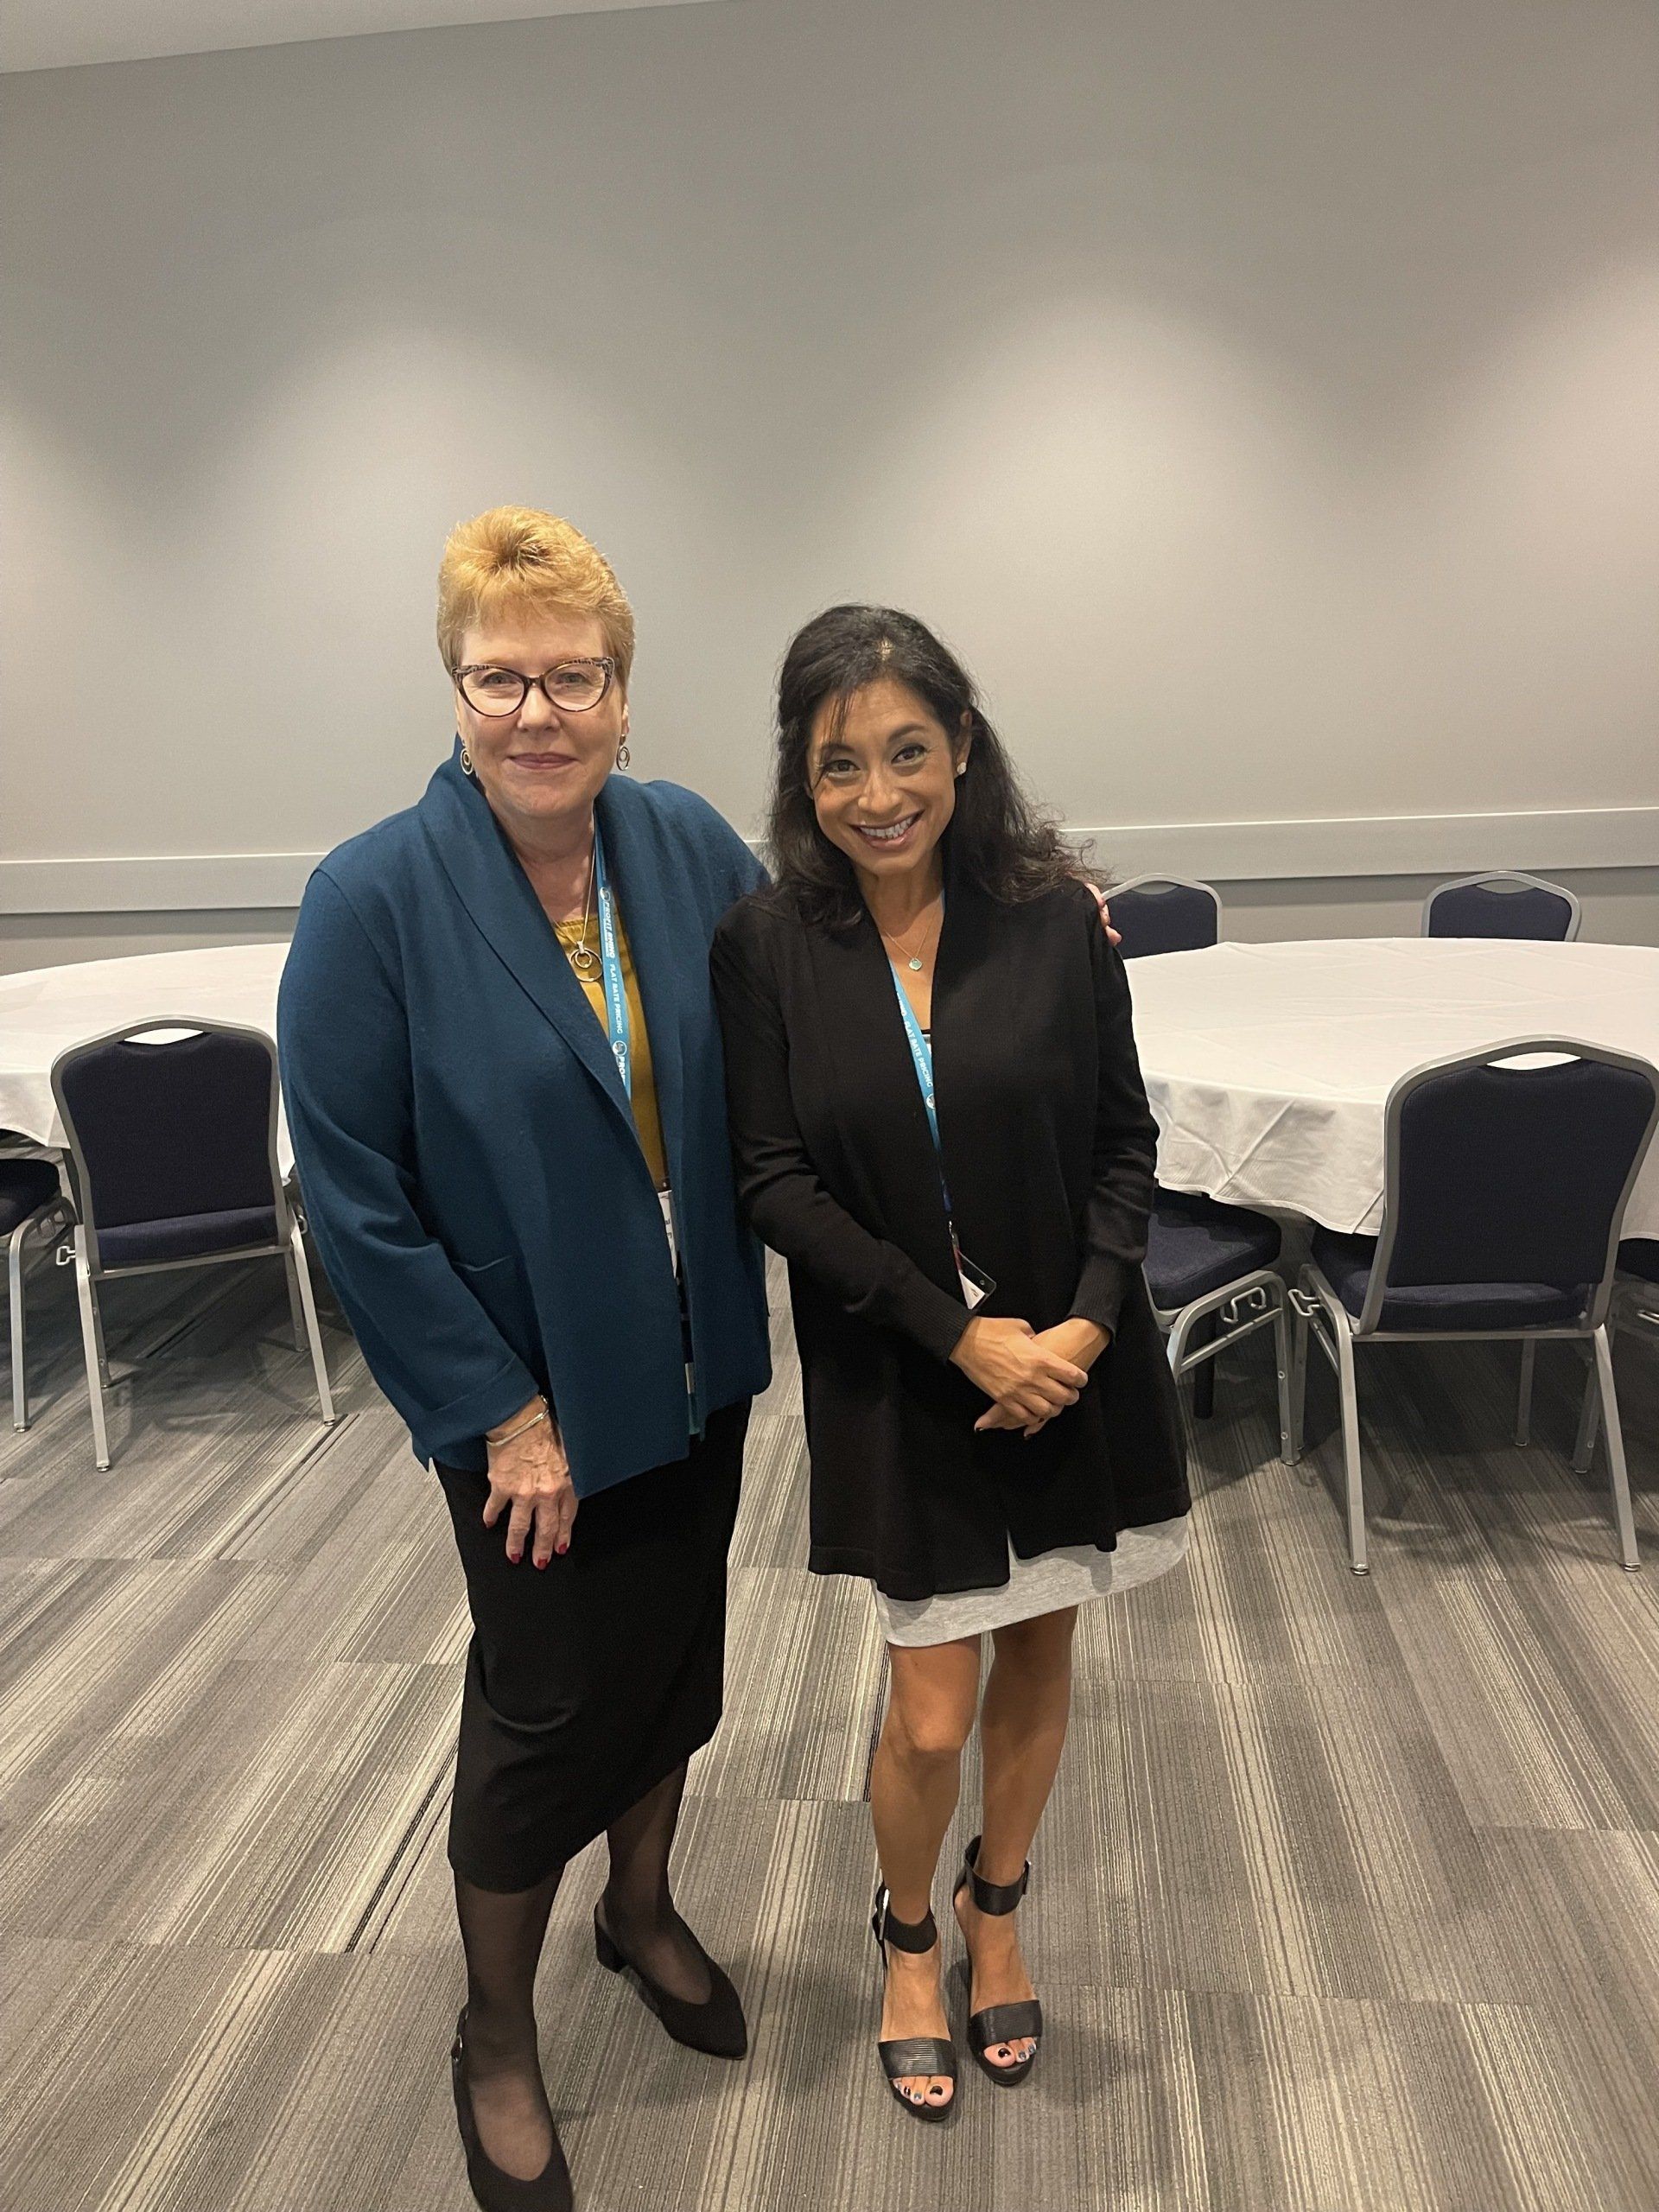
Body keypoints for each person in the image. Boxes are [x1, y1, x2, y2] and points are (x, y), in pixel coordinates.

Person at [277, 508, 772, 2212]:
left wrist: (1013, 916)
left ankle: (637, 1908)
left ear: (625, 694)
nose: (539, 712)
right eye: (502, 677)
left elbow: (818, 993)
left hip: (695, 1351)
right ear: (456, 689)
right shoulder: (373, 897)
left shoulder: (686, 844)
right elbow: (353, 1191)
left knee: (676, 1657)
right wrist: (500, 1410)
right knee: (547, 1701)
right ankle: (495, 2029)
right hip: (530, 1393)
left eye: (575, 676)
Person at [711, 606, 1189, 2120]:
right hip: (907, 1373)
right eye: (839, 764)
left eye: (907, 750)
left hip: (1069, 1368)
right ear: (802, 776)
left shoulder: (1053, 920)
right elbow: (772, 1180)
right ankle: (906, 1935)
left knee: (1040, 1656)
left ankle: (998, 1913)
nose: (878, 794)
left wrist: (1087, 1326)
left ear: (963, 746)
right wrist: (956, 1333)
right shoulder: (768, 946)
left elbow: (1124, 1143)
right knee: (928, 1707)